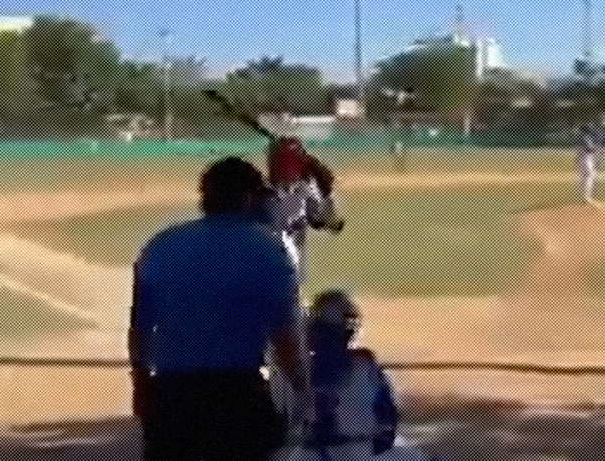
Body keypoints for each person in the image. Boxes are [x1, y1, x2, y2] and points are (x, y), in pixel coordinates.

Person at [129, 157, 304, 461]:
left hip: (173, 396)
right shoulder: (270, 252)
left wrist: (142, 383)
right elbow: (284, 339)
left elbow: (140, 330)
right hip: (239, 395)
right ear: (249, 198)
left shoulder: (162, 246)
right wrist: (302, 388)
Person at [272, 290, 435, 461]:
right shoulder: (365, 364)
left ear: (314, 332)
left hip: (318, 455)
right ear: (348, 332)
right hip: (364, 452)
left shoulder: (302, 370)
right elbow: (388, 423)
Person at [262, 137, 344, 283]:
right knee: (296, 238)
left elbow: (274, 180)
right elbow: (325, 180)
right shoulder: (302, 160)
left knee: (288, 238)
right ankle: (294, 278)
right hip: (296, 194)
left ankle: (289, 277)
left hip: (288, 196)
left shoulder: (281, 160)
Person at [576, 117, 605, 206]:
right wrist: (599, 150)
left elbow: (589, 149)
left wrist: (598, 151)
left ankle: (586, 197)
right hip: (586, 160)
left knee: (589, 177)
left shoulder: (585, 137)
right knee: (588, 176)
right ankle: (586, 197)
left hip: (586, 160)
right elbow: (589, 149)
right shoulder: (585, 137)